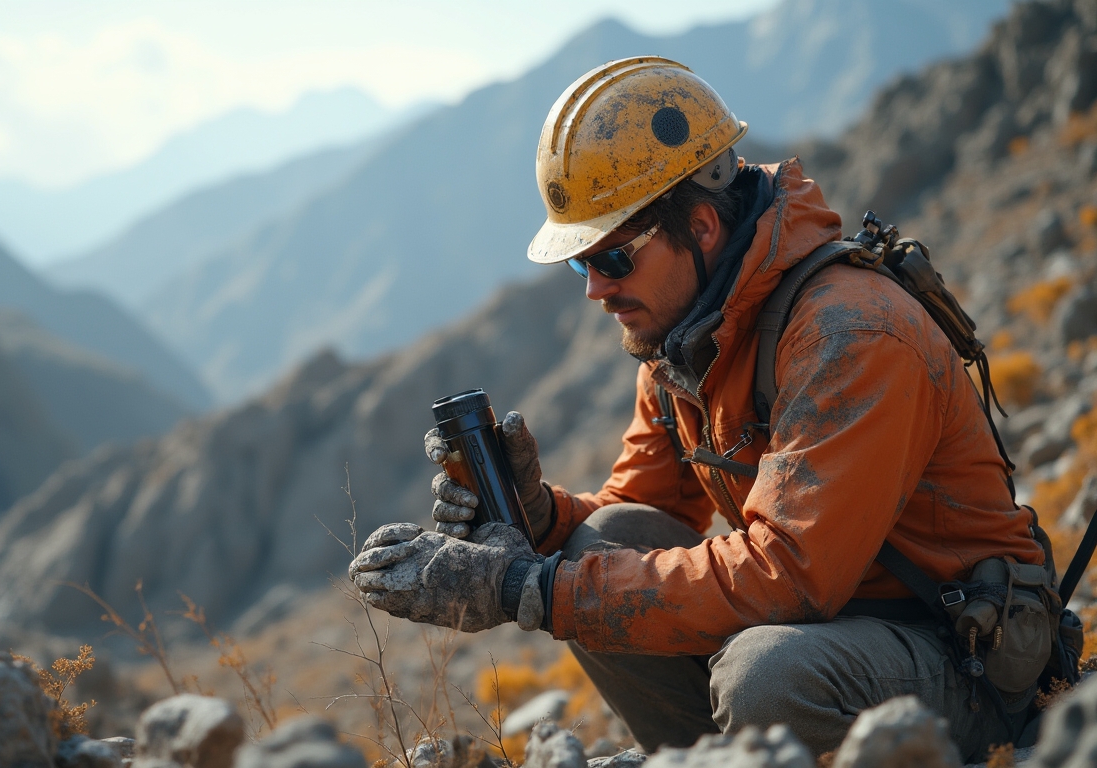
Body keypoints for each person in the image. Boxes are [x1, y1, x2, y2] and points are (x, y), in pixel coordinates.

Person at [348, 56, 1048, 761]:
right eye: (578, 263)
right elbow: (640, 513)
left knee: (767, 679)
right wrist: (540, 517)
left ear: (705, 227)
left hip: (964, 654)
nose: (595, 290)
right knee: (601, 542)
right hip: (835, 627)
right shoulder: (684, 339)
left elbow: (791, 577)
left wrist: (523, 586)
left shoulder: (849, 334)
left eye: (612, 259)